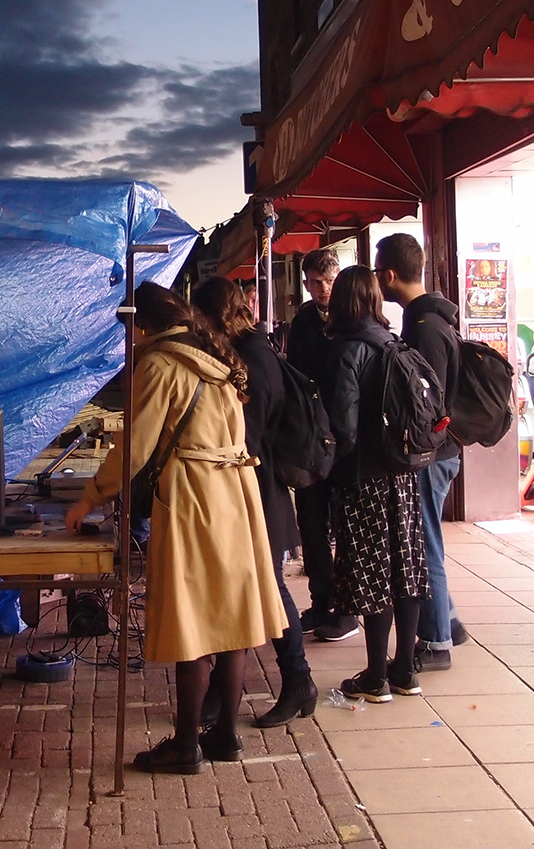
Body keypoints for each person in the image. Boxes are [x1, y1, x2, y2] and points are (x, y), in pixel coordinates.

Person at [65, 282, 287, 773]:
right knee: (232, 621)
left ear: (141, 325)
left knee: (196, 619)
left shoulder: (160, 363)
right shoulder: (215, 353)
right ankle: (225, 735)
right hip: (237, 491)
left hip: (195, 493)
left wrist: (90, 495)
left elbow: (135, 446)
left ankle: (187, 744)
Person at [193, 277, 318, 728]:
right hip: (254, 486)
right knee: (244, 585)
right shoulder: (251, 350)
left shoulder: (252, 358)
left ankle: (299, 681)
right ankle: (222, 692)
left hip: (257, 489)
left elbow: (245, 433)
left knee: (267, 586)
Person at [323, 266, 429, 703]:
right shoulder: (394, 343)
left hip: (364, 477)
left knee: (371, 571)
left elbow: (344, 430)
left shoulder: (348, 351)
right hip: (402, 475)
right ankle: (404, 668)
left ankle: (374, 675)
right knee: (405, 567)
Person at [374, 234, 467, 670]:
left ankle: (436, 643)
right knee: (428, 536)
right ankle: (447, 620)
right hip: (443, 450)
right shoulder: (433, 317)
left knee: (423, 541)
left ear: (390, 275)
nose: (377, 280)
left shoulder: (424, 327)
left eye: (378, 272)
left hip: (432, 454)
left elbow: (426, 401)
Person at [285, 248, 359, 642]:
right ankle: (321, 599)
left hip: (346, 441)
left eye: (327, 282)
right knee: (312, 526)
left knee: (345, 526)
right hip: (313, 438)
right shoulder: (303, 322)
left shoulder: (353, 321)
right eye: (314, 282)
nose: (320, 290)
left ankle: (346, 609)